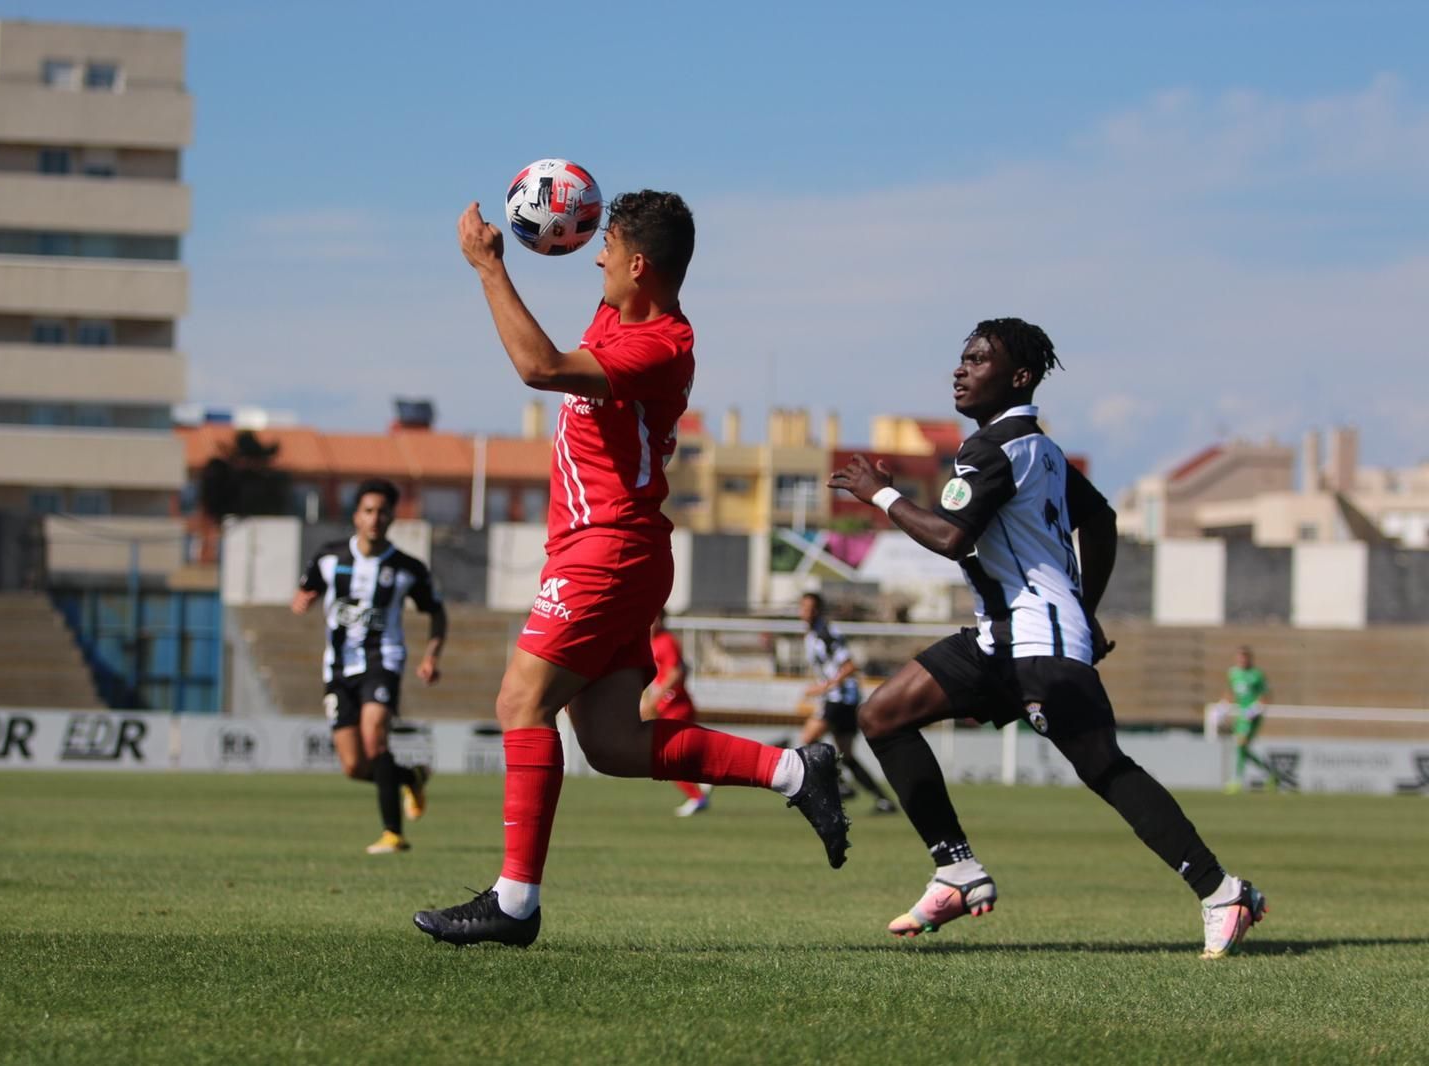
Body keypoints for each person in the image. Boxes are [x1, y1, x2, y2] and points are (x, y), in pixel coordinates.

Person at [413, 192, 849, 947]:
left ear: (639, 264)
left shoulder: (663, 346)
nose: (596, 259)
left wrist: (488, 268)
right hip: (611, 552)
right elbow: (584, 292)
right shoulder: (619, 316)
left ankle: (515, 903)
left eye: (606, 249)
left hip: (608, 548)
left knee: (520, 701)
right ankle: (794, 772)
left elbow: (538, 365)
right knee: (612, 745)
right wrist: (570, 216)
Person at [829, 318, 1266, 960]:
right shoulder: (1041, 450)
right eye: (963, 357)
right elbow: (1102, 520)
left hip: (1038, 642)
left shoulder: (996, 449)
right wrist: (1085, 609)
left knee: (1103, 767)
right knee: (883, 714)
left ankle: (1223, 892)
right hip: (1002, 639)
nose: (961, 369)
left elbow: (953, 538)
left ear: (1019, 377)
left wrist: (880, 493)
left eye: (979, 360)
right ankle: (955, 869)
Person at [292, 479, 446, 855]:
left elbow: (436, 612)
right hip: (338, 668)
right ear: (356, 516)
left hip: (383, 660)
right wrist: (303, 599)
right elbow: (306, 588)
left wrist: (432, 655)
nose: (375, 518)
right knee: (354, 766)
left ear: (392, 516)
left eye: (383, 511)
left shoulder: (407, 567)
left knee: (376, 737)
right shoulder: (329, 558)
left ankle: (393, 834)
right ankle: (410, 776)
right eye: (368, 511)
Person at [797, 592, 898, 814]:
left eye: (810, 607)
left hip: (840, 698)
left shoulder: (826, 633)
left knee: (808, 739)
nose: (805, 612)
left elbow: (850, 666)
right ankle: (883, 801)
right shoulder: (813, 634)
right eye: (803, 607)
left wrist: (825, 687)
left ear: (818, 610)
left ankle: (839, 785)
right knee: (848, 755)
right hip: (842, 698)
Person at [644, 610, 713, 816]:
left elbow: (676, 672)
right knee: (678, 755)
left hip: (677, 707)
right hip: (670, 707)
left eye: (654, 618)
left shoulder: (665, 641)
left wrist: (654, 700)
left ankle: (697, 795)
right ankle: (704, 778)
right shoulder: (653, 643)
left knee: (668, 758)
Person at [1220, 646, 1285, 793]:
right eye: (1239, 657)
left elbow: (1266, 696)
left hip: (1252, 715)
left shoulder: (1257, 675)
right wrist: (1222, 708)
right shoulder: (1233, 673)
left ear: (1250, 659)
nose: (1242, 660)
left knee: (1241, 744)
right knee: (1242, 748)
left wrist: (1254, 709)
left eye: (1244, 657)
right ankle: (1271, 773)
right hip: (1241, 715)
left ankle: (1237, 780)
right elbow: (1229, 693)